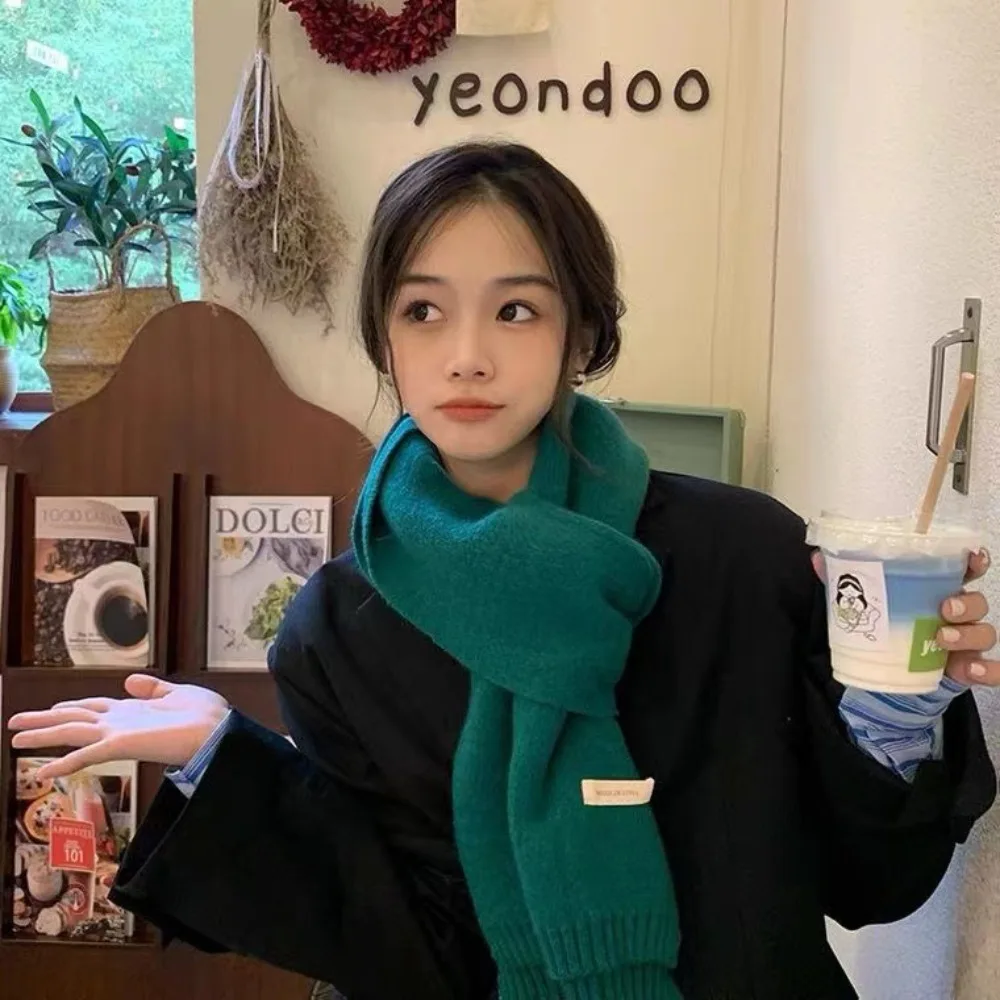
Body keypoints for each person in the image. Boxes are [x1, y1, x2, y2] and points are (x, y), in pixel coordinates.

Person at [8, 140, 998, 1000]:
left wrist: (896, 713)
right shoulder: (341, 627)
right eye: (423, 311)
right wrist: (224, 757)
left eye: (516, 309)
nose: (467, 356)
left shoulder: (744, 554)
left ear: (582, 333)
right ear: (384, 337)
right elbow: (412, 946)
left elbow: (871, 883)